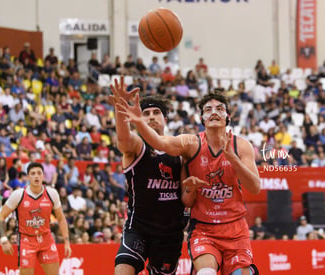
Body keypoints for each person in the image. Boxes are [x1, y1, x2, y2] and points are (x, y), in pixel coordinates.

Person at [116, 91, 260, 275]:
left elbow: (255, 187)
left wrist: (233, 159)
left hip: (234, 227)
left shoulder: (241, 146)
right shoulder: (191, 144)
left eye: (219, 108)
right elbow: (159, 143)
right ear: (202, 118)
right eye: (208, 109)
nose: (214, 112)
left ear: (228, 116)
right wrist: (137, 121)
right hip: (203, 228)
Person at [110, 76, 192, 275]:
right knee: (122, 270)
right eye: (146, 113)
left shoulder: (180, 150)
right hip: (139, 228)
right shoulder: (138, 145)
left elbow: (186, 197)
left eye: (157, 113)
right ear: (139, 118)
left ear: (165, 119)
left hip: (170, 233)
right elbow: (123, 140)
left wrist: (193, 189)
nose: (152, 116)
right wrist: (121, 109)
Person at [0, 162, 72, 275]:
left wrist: (66, 242)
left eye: (39, 173)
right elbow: (0, 218)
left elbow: (61, 218)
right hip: (27, 240)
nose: (36, 176)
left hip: (46, 238)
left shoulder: (52, 193)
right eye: (33, 173)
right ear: (27, 177)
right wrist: (4, 240)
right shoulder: (18, 194)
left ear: (43, 176)